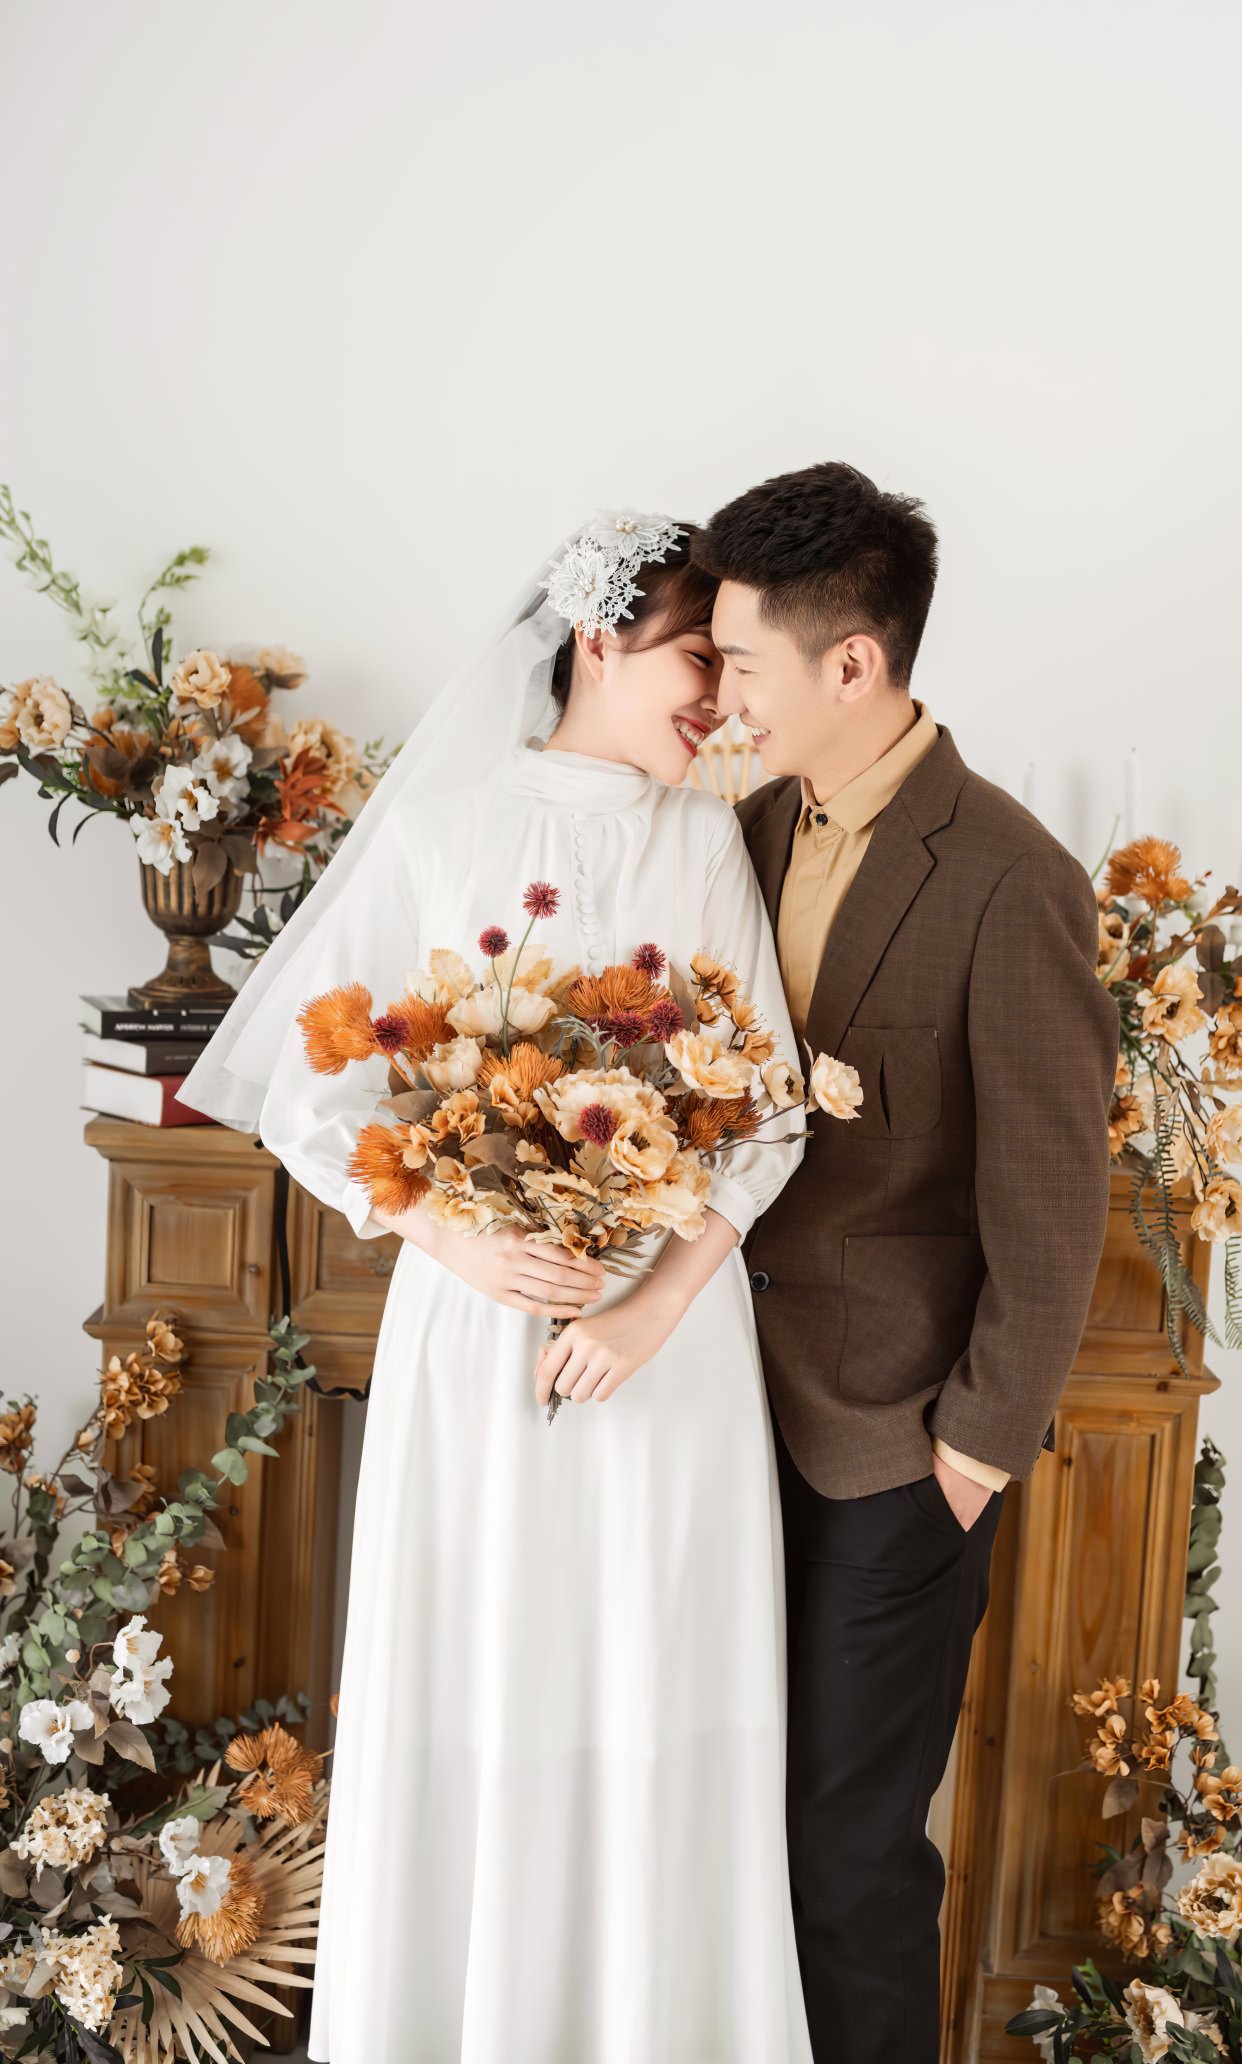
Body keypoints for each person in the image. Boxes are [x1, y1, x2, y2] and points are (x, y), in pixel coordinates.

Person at [179, 515, 815, 2062]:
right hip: (473, 1333)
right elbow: (309, 1099)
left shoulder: (704, 840)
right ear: (598, 639)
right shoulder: (443, 827)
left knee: (650, 1672)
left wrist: (652, 1303)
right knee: (482, 1659)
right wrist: (452, 1241)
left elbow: (773, 1115)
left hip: (662, 1349)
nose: (720, 699)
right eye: (696, 658)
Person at [692, 462, 1121, 2064]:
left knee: (846, 1864)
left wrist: (967, 1459)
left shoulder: (1012, 880)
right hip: (716, 1429)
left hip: (891, 1458)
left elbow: (1052, 1209)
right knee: (726, 1839)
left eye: (742, 661)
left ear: (852, 663)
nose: (722, 693)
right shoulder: (743, 832)